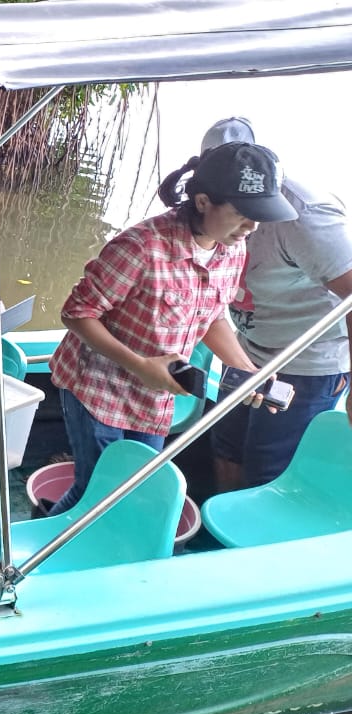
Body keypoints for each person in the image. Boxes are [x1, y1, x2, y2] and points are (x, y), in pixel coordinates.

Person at [47, 141, 298, 515]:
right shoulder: (142, 246)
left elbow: (212, 316)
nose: (252, 226)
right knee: (95, 495)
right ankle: (44, 546)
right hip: (99, 391)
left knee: (139, 489)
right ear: (203, 202)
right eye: (242, 214)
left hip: (155, 397)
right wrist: (139, 366)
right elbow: (77, 312)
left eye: (258, 215)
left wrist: (246, 370)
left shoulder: (232, 249)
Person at [199, 119, 352, 492]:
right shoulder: (205, 204)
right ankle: (219, 521)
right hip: (246, 348)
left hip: (308, 362)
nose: (249, 225)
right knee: (226, 444)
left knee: (269, 467)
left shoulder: (305, 216)